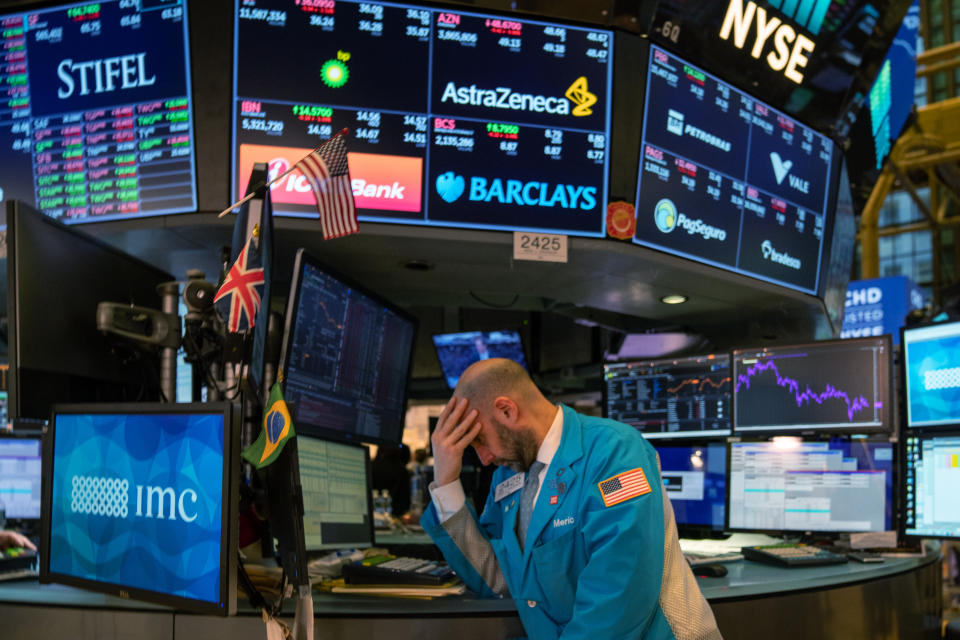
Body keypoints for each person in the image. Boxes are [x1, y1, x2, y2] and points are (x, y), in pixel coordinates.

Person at [422, 358, 721, 640]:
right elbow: (495, 578)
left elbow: (619, 595)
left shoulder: (615, 452)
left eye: (480, 441)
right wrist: (446, 481)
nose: (484, 459)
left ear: (507, 410)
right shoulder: (510, 477)